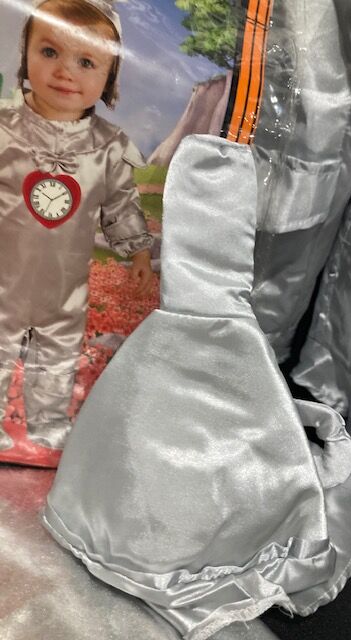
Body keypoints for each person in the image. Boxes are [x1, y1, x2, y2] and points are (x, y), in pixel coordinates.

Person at [0, 0, 154, 452]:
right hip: (3, 277)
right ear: (25, 54)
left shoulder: (107, 147)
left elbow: (121, 204)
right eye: (49, 52)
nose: (65, 71)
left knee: (59, 353)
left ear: (110, 77)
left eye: (86, 61)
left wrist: (139, 252)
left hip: (65, 285)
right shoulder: (5, 132)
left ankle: (48, 426)